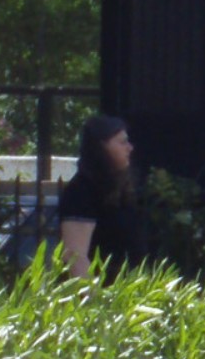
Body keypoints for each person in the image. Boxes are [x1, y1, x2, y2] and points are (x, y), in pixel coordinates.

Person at [57, 114, 149, 277]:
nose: (130, 148)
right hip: (100, 288)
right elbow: (75, 257)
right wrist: (93, 292)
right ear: (101, 146)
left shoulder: (119, 190)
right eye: (122, 142)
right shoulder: (81, 192)